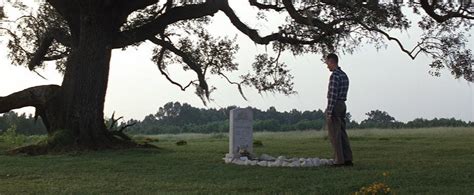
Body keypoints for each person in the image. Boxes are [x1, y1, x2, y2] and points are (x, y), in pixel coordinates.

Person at [324, 53, 353, 167]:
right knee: (342, 133)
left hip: (335, 105)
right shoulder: (344, 75)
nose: (327, 66)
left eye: (328, 63)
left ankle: (338, 160)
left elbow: (332, 94)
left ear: (332, 62)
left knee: (334, 134)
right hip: (343, 104)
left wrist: (329, 112)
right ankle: (348, 158)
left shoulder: (335, 76)